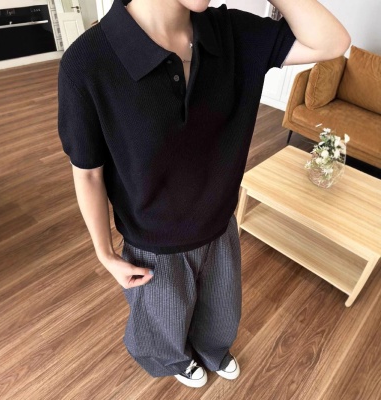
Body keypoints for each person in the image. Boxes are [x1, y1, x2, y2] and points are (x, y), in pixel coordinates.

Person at [57, 0, 350, 388]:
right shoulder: (87, 62)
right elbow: (88, 173)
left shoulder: (232, 34)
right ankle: (174, 359)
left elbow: (331, 42)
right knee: (163, 317)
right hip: (153, 240)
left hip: (219, 223)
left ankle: (212, 349)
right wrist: (104, 252)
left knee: (221, 309)